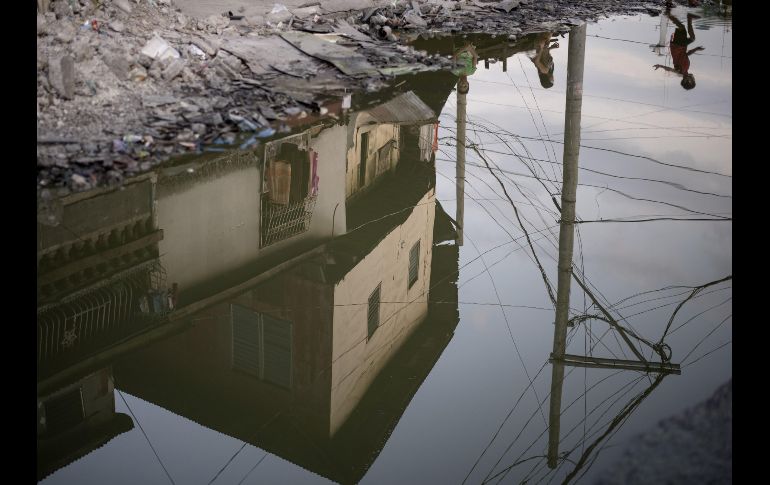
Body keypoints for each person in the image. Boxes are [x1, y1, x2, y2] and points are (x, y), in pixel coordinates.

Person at [653, 10, 705, 89]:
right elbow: (686, 54)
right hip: (681, 46)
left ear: (686, 81)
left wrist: (660, 66)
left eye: (692, 81)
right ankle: (673, 15)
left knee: (685, 31)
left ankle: (673, 15)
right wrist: (697, 49)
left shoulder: (680, 72)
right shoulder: (685, 70)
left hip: (677, 46)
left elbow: (669, 69)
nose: (693, 79)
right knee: (681, 28)